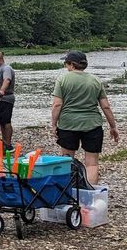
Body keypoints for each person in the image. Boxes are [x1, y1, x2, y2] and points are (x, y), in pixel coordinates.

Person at [50, 51, 119, 186]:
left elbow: (57, 104)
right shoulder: (95, 80)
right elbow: (105, 107)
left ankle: (68, 193)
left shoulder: (62, 79)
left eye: (66, 63)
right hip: (92, 124)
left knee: (67, 160)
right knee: (92, 163)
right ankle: (90, 193)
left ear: (71, 65)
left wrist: (53, 124)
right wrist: (113, 126)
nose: (66, 66)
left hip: (67, 124)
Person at [0, 50, 16, 143]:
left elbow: (7, 80)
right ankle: (4, 142)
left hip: (6, 98)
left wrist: (2, 90)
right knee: (1, 122)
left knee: (6, 121)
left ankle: (8, 144)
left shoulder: (6, 68)